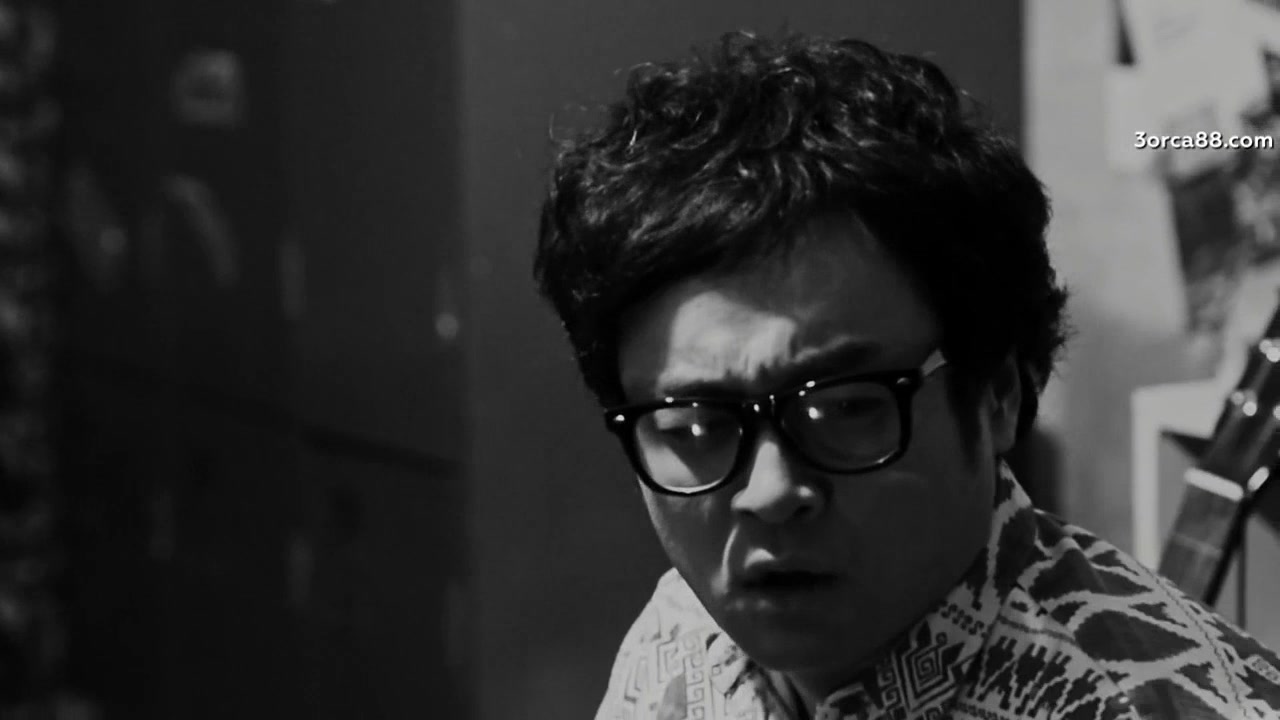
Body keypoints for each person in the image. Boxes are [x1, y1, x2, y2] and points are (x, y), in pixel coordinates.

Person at [532, 31, 1280, 719]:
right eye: (697, 426)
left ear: (997, 394)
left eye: (846, 407)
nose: (769, 493)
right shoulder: (679, 636)